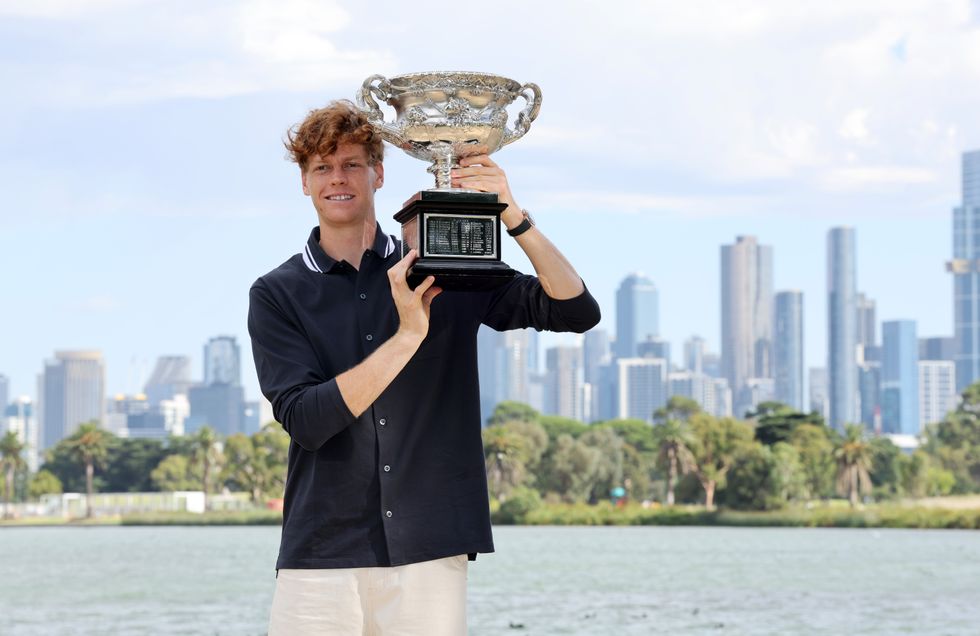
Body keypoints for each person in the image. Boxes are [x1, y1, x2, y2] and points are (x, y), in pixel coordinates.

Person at [248, 99, 600, 635]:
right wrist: (409, 334)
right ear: (304, 182)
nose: (337, 179)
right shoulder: (277, 293)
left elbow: (575, 310)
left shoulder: (447, 270)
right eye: (322, 167)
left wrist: (513, 215)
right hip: (320, 552)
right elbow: (307, 420)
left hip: (430, 548)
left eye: (351, 164)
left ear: (379, 174)